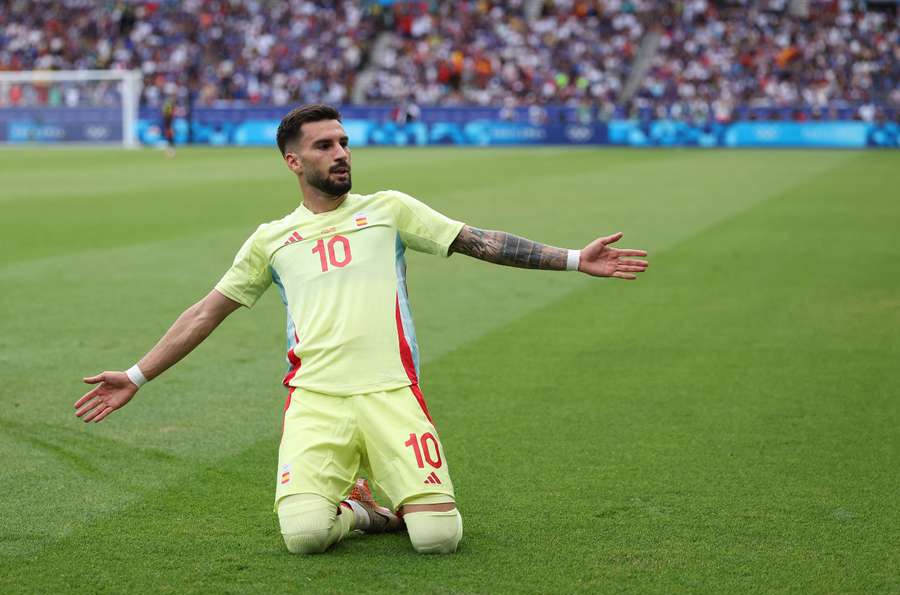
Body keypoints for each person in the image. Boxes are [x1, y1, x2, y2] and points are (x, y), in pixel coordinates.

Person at [73, 104, 649, 555]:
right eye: (324, 145)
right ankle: (358, 509)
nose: (341, 153)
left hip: (391, 393)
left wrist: (574, 258)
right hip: (315, 400)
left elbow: (480, 241)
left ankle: (394, 505)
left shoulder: (389, 209)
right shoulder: (271, 239)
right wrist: (135, 375)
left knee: (438, 540)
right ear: (294, 162)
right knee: (303, 536)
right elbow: (205, 312)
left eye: (344, 142)